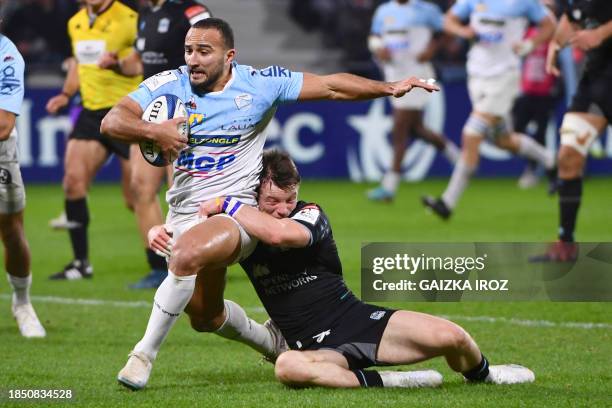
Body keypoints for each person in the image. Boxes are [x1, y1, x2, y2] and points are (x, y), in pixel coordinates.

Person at [99, 17, 439, 390]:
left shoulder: (259, 85)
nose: (193, 59)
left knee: (185, 254)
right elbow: (112, 121)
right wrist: (154, 130)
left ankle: (142, 356)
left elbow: (330, 87)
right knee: (205, 316)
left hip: (237, 215)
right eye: (188, 50)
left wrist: (388, 88)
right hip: (185, 215)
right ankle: (271, 342)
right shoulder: (170, 83)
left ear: (229, 56)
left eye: (204, 51)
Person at [193, 149, 535, 389]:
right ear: (255, 197)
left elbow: (281, 234)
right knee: (287, 368)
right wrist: (160, 232)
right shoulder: (243, 230)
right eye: (272, 202)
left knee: (453, 337)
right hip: (313, 350)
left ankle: (486, 376)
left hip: (354, 320)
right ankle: (394, 381)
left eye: (289, 199)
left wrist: (226, 203)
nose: (283, 209)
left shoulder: (310, 214)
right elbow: (197, 245)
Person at [97, 0, 212, 289]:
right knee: (139, 189)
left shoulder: (191, 11)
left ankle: (197, 259)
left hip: (187, 111)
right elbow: (140, 60)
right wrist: (119, 65)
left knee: (183, 191)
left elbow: (214, 49)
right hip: (152, 112)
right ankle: (158, 266)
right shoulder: (145, 15)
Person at [422, 0, 557, 219]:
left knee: (472, 133)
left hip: (505, 77)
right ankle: (551, 160)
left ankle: (447, 202)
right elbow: (448, 20)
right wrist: (463, 31)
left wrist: (530, 45)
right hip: (476, 76)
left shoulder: (523, 3)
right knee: (503, 140)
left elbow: (549, 25)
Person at [44, 0, 141, 280]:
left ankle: (170, 259)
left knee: (135, 197)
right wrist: (65, 94)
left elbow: (142, 62)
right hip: (91, 113)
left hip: (127, 111)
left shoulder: (130, 19)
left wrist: (119, 65)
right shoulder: (75, 22)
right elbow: (78, 63)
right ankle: (80, 263)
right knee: (73, 182)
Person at [532, 0, 612, 261]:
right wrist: (556, 44)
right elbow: (570, 17)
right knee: (568, 155)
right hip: (596, 86)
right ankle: (565, 242)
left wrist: (600, 33)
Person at [367, 0, 460, 202]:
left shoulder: (426, 11)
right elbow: (374, 37)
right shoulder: (384, 11)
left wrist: (432, 49)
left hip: (417, 77)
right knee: (416, 129)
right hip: (394, 76)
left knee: (400, 129)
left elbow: (449, 30)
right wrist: (378, 49)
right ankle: (457, 157)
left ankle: (389, 187)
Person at [0, 31, 46, 337]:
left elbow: (3, 124)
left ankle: (22, 303)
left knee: (12, 231)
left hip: (1, 153)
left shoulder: (6, 54)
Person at [512, 0, 560, 189]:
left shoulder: (555, 37)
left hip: (545, 92)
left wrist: (558, 87)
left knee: (540, 133)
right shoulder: (529, 34)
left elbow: (561, 65)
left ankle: (537, 171)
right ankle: (544, 165)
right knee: (517, 130)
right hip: (526, 91)